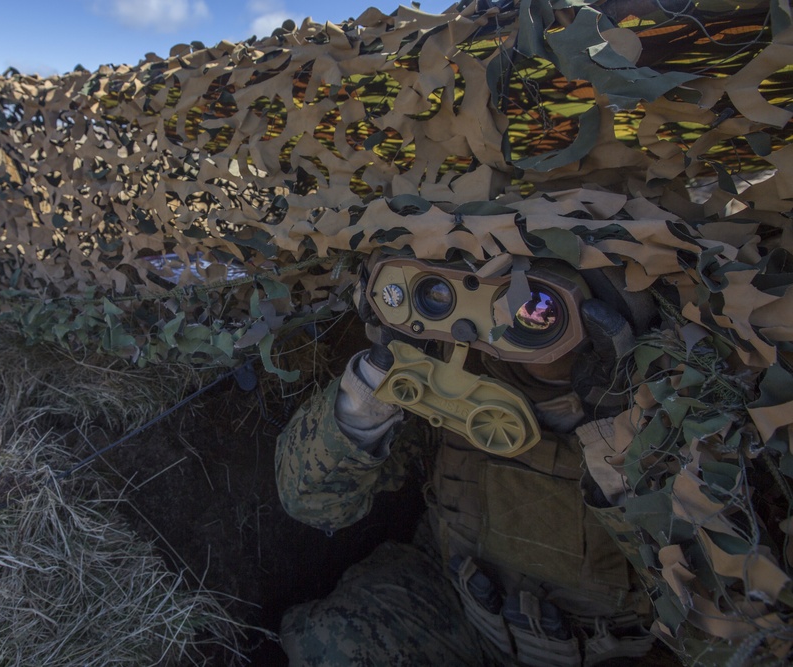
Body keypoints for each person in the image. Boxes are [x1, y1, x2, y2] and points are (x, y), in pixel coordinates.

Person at [275, 259, 665, 666]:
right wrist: (379, 377)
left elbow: (702, 614)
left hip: (598, 645)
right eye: (496, 293)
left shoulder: (672, 405)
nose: (500, 322)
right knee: (328, 643)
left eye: (536, 310)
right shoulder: (454, 364)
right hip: (457, 594)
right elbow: (313, 502)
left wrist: (616, 430)